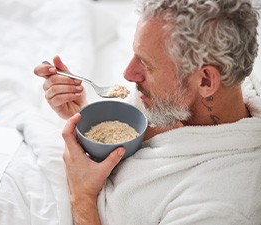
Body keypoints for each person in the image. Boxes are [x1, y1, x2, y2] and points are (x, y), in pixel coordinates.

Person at [34, 0, 261, 224]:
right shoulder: (176, 103)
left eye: (146, 64)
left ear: (205, 80)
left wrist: (81, 196)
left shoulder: (217, 208)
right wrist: (86, 114)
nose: (128, 74)